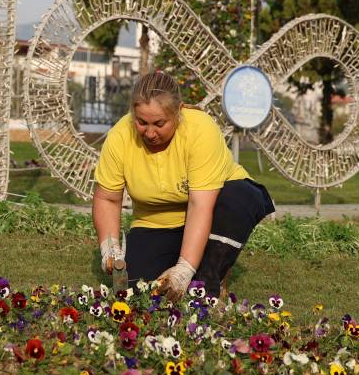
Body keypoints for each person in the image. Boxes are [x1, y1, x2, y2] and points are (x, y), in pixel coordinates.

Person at [92, 70, 275, 301]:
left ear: (178, 112)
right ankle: (185, 264)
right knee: (139, 290)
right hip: (156, 223)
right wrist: (109, 246)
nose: (149, 133)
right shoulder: (120, 136)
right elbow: (107, 198)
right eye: (141, 122)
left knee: (238, 198)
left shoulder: (200, 130)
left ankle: (209, 280)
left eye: (159, 123)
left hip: (213, 213)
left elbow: (200, 206)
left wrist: (184, 269)